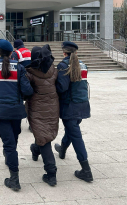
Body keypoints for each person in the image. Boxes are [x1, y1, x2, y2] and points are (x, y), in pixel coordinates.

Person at [0, 39, 33, 191]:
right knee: (12, 139)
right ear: (12, 53)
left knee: (9, 144)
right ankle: (10, 158)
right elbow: (27, 91)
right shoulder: (20, 68)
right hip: (15, 111)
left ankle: (14, 179)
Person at [54, 41, 93, 182]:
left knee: (75, 135)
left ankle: (86, 170)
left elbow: (62, 88)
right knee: (72, 130)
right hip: (83, 104)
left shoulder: (63, 65)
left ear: (64, 52)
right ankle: (62, 149)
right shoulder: (83, 65)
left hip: (70, 106)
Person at [26, 45, 59, 187]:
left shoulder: (29, 73)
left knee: (44, 139)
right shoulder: (54, 70)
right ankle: (35, 150)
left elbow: (26, 91)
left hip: (37, 109)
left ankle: (51, 174)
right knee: (43, 135)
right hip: (52, 108)